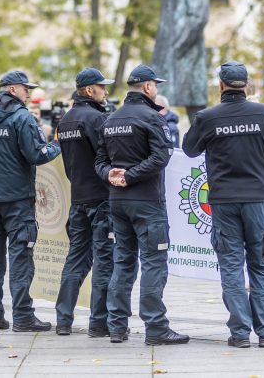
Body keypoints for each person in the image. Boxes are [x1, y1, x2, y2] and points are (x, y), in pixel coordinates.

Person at [182, 61, 264, 348]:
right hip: (255, 199)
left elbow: (189, 149)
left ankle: (240, 333)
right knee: (261, 265)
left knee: (231, 266)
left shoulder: (208, 117)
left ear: (220, 85)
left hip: (223, 202)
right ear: (247, 84)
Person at [95, 64, 188, 346]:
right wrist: (131, 176)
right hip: (147, 201)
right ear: (147, 87)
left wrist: (111, 175)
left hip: (118, 202)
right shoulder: (152, 117)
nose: (156, 89)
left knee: (123, 262)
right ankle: (156, 327)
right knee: (153, 263)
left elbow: (99, 161)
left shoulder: (110, 119)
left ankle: (116, 327)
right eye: (155, 85)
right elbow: (162, 157)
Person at [0, 70, 61, 332]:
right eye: (24, 88)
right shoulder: (22, 118)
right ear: (11, 90)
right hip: (18, 201)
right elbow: (36, 155)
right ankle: (23, 316)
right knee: (21, 258)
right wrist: (56, 145)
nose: (28, 93)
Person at [54, 68, 114, 337]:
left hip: (78, 197)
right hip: (101, 198)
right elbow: (109, 156)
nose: (106, 91)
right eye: (102, 87)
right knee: (104, 259)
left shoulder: (65, 121)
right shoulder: (97, 119)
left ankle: (63, 320)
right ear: (89, 90)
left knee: (76, 258)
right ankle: (98, 322)